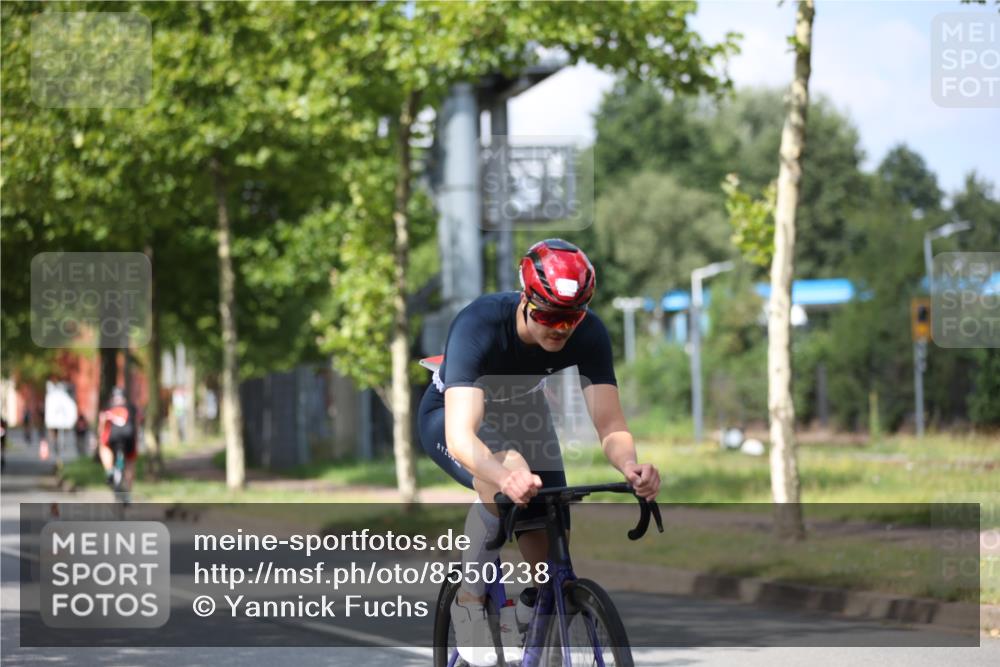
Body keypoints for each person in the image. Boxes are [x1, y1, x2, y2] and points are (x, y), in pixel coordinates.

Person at [418, 239, 661, 666]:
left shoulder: (588, 333)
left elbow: (611, 425)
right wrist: (501, 473)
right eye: (549, 315)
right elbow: (462, 436)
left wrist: (630, 465)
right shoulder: (481, 324)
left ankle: (536, 614)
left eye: (572, 318)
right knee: (506, 471)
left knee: (550, 527)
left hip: (525, 413)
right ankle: (470, 600)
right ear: (526, 298)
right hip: (454, 415)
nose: (561, 329)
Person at [98, 387, 138, 500]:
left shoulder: (108, 407)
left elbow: (102, 423)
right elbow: (136, 425)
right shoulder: (131, 408)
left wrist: (99, 436)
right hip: (129, 438)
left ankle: (109, 470)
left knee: (104, 446)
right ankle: (128, 493)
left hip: (113, 438)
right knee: (130, 462)